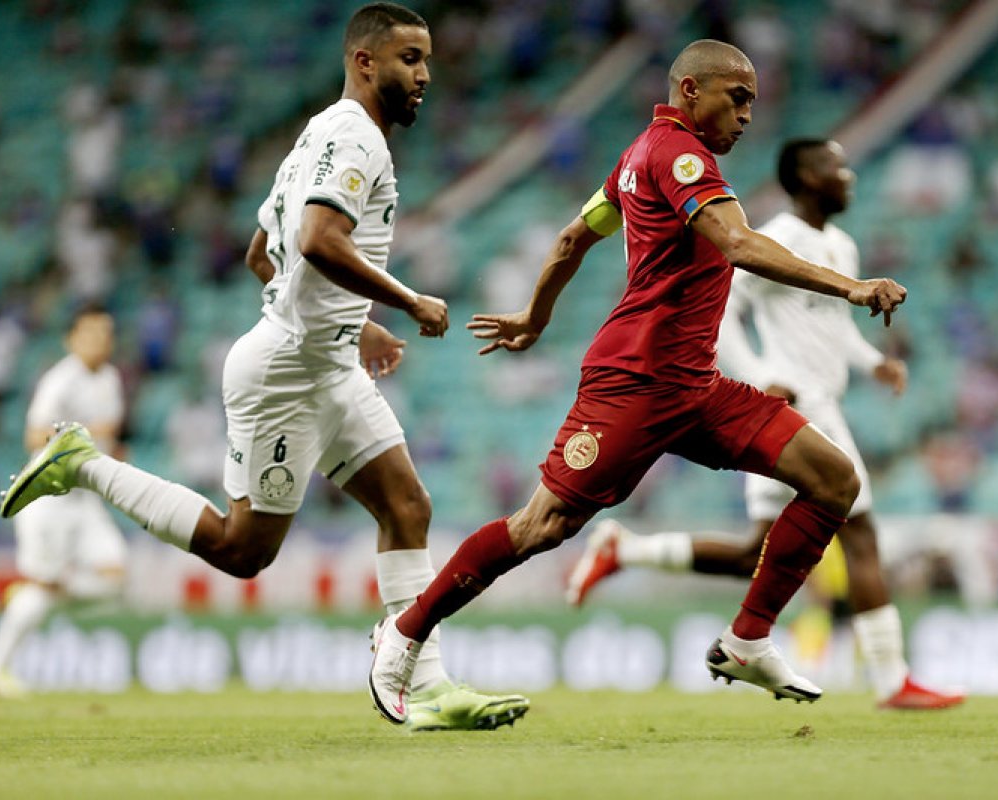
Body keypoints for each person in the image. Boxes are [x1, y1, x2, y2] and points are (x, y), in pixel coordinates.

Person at [0, 3, 528, 731]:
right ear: (364, 61)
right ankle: (84, 462)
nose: (425, 75)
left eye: (427, 59)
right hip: (285, 373)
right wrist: (406, 302)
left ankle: (418, 677)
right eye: (410, 59)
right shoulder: (355, 141)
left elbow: (263, 253)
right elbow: (314, 239)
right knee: (241, 550)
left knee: (408, 506)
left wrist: (356, 322)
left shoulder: (316, 135)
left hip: (328, 362)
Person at [366, 39, 907, 721]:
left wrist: (536, 317)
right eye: (734, 98)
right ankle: (403, 633)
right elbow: (737, 243)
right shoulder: (680, 156)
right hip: (633, 382)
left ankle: (748, 640)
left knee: (833, 478)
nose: (744, 115)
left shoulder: (634, 159)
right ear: (689, 92)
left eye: (752, 103)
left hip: (696, 388)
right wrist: (852, 287)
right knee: (542, 526)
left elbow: (573, 238)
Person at [565, 139, 964, 710]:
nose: (849, 175)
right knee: (861, 530)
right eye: (837, 166)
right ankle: (891, 679)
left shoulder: (842, 245)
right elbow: (725, 311)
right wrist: (756, 375)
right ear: (804, 177)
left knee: (753, 553)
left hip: (821, 397)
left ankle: (625, 550)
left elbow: (833, 325)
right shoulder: (775, 236)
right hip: (799, 404)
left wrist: (872, 362)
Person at [0, 305, 126, 698]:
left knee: (114, 578)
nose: (101, 341)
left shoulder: (111, 379)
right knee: (46, 589)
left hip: (84, 500)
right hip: (48, 499)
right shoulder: (59, 381)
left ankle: (35, 592)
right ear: (72, 339)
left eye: (107, 332)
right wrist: (78, 435)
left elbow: (108, 436)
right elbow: (34, 438)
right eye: (92, 333)